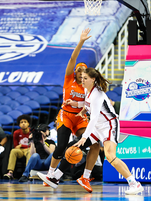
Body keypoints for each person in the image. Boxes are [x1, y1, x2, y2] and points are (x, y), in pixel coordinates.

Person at [37, 68, 144, 195]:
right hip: (98, 126)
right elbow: (87, 103)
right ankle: (56, 177)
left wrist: (84, 137)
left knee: (110, 156)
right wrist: (77, 105)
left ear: (93, 79)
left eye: (85, 78)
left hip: (109, 126)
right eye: (82, 77)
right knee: (73, 147)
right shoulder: (88, 89)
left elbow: (92, 119)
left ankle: (134, 183)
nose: (82, 80)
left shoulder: (97, 94)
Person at [44, 28, 100, 193]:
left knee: (93, 142)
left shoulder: (88, 86)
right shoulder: (69, 78)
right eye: (79, 70)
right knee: (60, 147)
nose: (81, 73)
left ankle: (85, 176)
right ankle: (51, 175)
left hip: (80, 117)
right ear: (75, 72)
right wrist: (81, 41)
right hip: (66, 116)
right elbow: (73, 58)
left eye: (84, 71)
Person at [3, 114, 31, 180]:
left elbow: (32, 145)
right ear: (19, 125)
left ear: (28, 123)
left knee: (30, 151)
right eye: (21, 122)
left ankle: (28, 173)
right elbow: (16, 146)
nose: (23, 124)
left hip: (28, 149)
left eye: (25, 122)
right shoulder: (16, 132)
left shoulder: (31, 132)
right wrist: (20, 146)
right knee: (13, 151)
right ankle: (10, 172)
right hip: (20, 150)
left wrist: (21, 145)